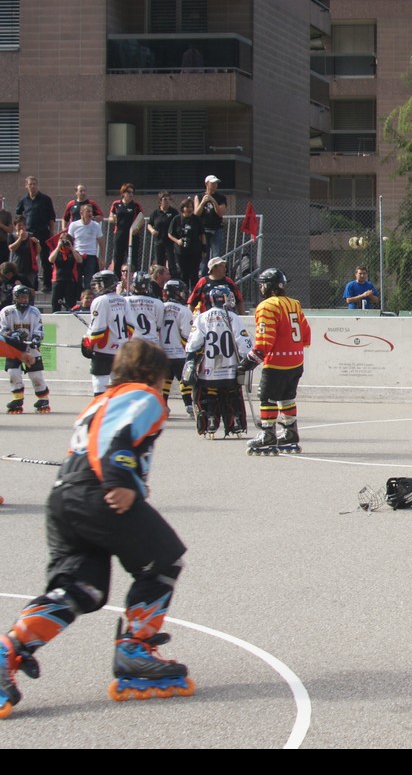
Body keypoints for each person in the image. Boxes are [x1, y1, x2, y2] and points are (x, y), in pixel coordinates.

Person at [0, 339, 194, 720]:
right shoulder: (144, 396)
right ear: (153, 375)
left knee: (81, 588)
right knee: (164, 560)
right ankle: (135, 648)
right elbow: (119, 434)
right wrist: (120, 477)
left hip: (64, 497)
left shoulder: (99, 400)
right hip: (101, 491)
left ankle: (10, 649)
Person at [238, 269, 310, 455]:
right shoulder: (294, 304)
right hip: (296, 361)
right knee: (287, 397)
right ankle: (290, 432)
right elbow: (306, 333)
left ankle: (268, 433)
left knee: (267, 397)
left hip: (277, 362)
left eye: (262, 284)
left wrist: (248, 362)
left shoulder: (266, 306)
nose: (260, 288)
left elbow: (264, 341)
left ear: (268, 286)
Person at [185, 286, 250, 440]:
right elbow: (243, 343)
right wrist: (247, 359)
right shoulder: (233, 317)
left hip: (209, 367)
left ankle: (211, 420)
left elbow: (193, 344)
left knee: (210, 391)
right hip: (230, 366)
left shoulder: (202, 317)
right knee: (232, 392)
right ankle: (235, 421)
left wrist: (191, 359)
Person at [1, 283, 50, 414]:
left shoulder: (34, 311)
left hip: (30, 348)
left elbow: (39, 329)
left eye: (26, 297)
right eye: (22, 297)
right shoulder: (6, 311)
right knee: (13, 373)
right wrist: (12, 335)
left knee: (36, 375)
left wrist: (36, 339)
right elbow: (3, 330)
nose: (25, 299)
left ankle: (43, 399)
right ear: (15, 297)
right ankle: (17, 398)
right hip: (12, 348)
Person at [82, 270, 130, 395]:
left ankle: (101, 406)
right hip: (121, 350)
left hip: (103, 350)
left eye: (99, 283)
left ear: (105, 284)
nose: (96, 286)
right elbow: (131, 328)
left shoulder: (100, 301)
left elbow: (97, 331)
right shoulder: (123, 300)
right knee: (119, 386)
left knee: (100, 381)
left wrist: (87, 342)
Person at [158, 280, 193, 418]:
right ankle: (189, 405)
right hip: (178, 353)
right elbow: (186, 336)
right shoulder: (184, 311)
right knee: (184, 380)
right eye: (181, 291)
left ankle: (162, 405)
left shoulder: (159, 307)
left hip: (162, 352)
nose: (183, 294)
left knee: (166, 379)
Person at [107, 184, 145, 275]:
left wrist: (137, 228)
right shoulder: (116, 204)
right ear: (123, 193)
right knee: (118, 257)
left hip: (132, 235)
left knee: (132, 258)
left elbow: (141, 218)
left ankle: (133, 277)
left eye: (132, 192)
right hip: (119, 234)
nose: (131, 194)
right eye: (128, 192)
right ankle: (117, 277)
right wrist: (112, 219)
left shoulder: (135, 205)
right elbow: (111, 216)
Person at [168, 198, 206, 283]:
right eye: (187, 207)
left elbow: (202, 234)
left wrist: (204, 248)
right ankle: (184, 290)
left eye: (191, 207)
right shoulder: (177, 219)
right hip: (181, 251)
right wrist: (177, 241)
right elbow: (170, 234)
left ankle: (194, 290)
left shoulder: (196, 219)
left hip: (195, 250)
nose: (190, 209)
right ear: (183, 208)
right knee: (183, 273)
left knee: (194, 274)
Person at [67, 202, 104, 289]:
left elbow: (101, 243)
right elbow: (69, 241)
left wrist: (102, 258)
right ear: (81, 213)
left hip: (91, 255)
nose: (90, 214)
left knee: (89, 281)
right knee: (76, 279)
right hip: (77, 255)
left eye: (91, 211)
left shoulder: (96, 226)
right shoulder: (74, 225)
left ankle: (88, 295)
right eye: (88, 211)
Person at [145, 192, 179, 278]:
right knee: (160, 264)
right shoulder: (155, 213)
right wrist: (152, 230)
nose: (167, 201)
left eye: (168, 199)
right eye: (165, 199)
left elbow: (178, 224)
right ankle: (160, 280)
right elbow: (149, 224)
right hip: (159, 242)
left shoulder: (174, 212)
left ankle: (173, 280)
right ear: (160, 201)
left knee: (172, 264)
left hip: (170, 242)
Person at [193, 176, 227, 260]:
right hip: (203, 230)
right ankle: (203, 269)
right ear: (206, 184)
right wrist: (202, 203)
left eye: (216, 183)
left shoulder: (221, 197)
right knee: (204, 254)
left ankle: (215, 268)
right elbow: (196, 214)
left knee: (216, 255)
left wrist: (213, 200)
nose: (215, 185)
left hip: (216, 229)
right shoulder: (199, 196)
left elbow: (220, 213)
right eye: (212, 183)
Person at [48, 231, 82, 313]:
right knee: (55, 304)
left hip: (70, 280)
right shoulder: (56, 252)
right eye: (62, 240)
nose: (64, 242)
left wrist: (71, 248)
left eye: (67, 240)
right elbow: (51, 260)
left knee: (71, 304)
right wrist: (58, 247)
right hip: (57, 280)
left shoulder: (74, 252)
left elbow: (80, 260)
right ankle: (54, 320)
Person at [9, 218, 44, 291]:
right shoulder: (12, 236)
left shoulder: (31, 236)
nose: (21, 227)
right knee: (17, 288)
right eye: (19, 225)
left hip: (30, 268)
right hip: (17, 266)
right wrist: (20, 238)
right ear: (15, 226)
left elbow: (38, 251)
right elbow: (12, 248)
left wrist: (37, 243)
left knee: (29, 288)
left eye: (23, 225)